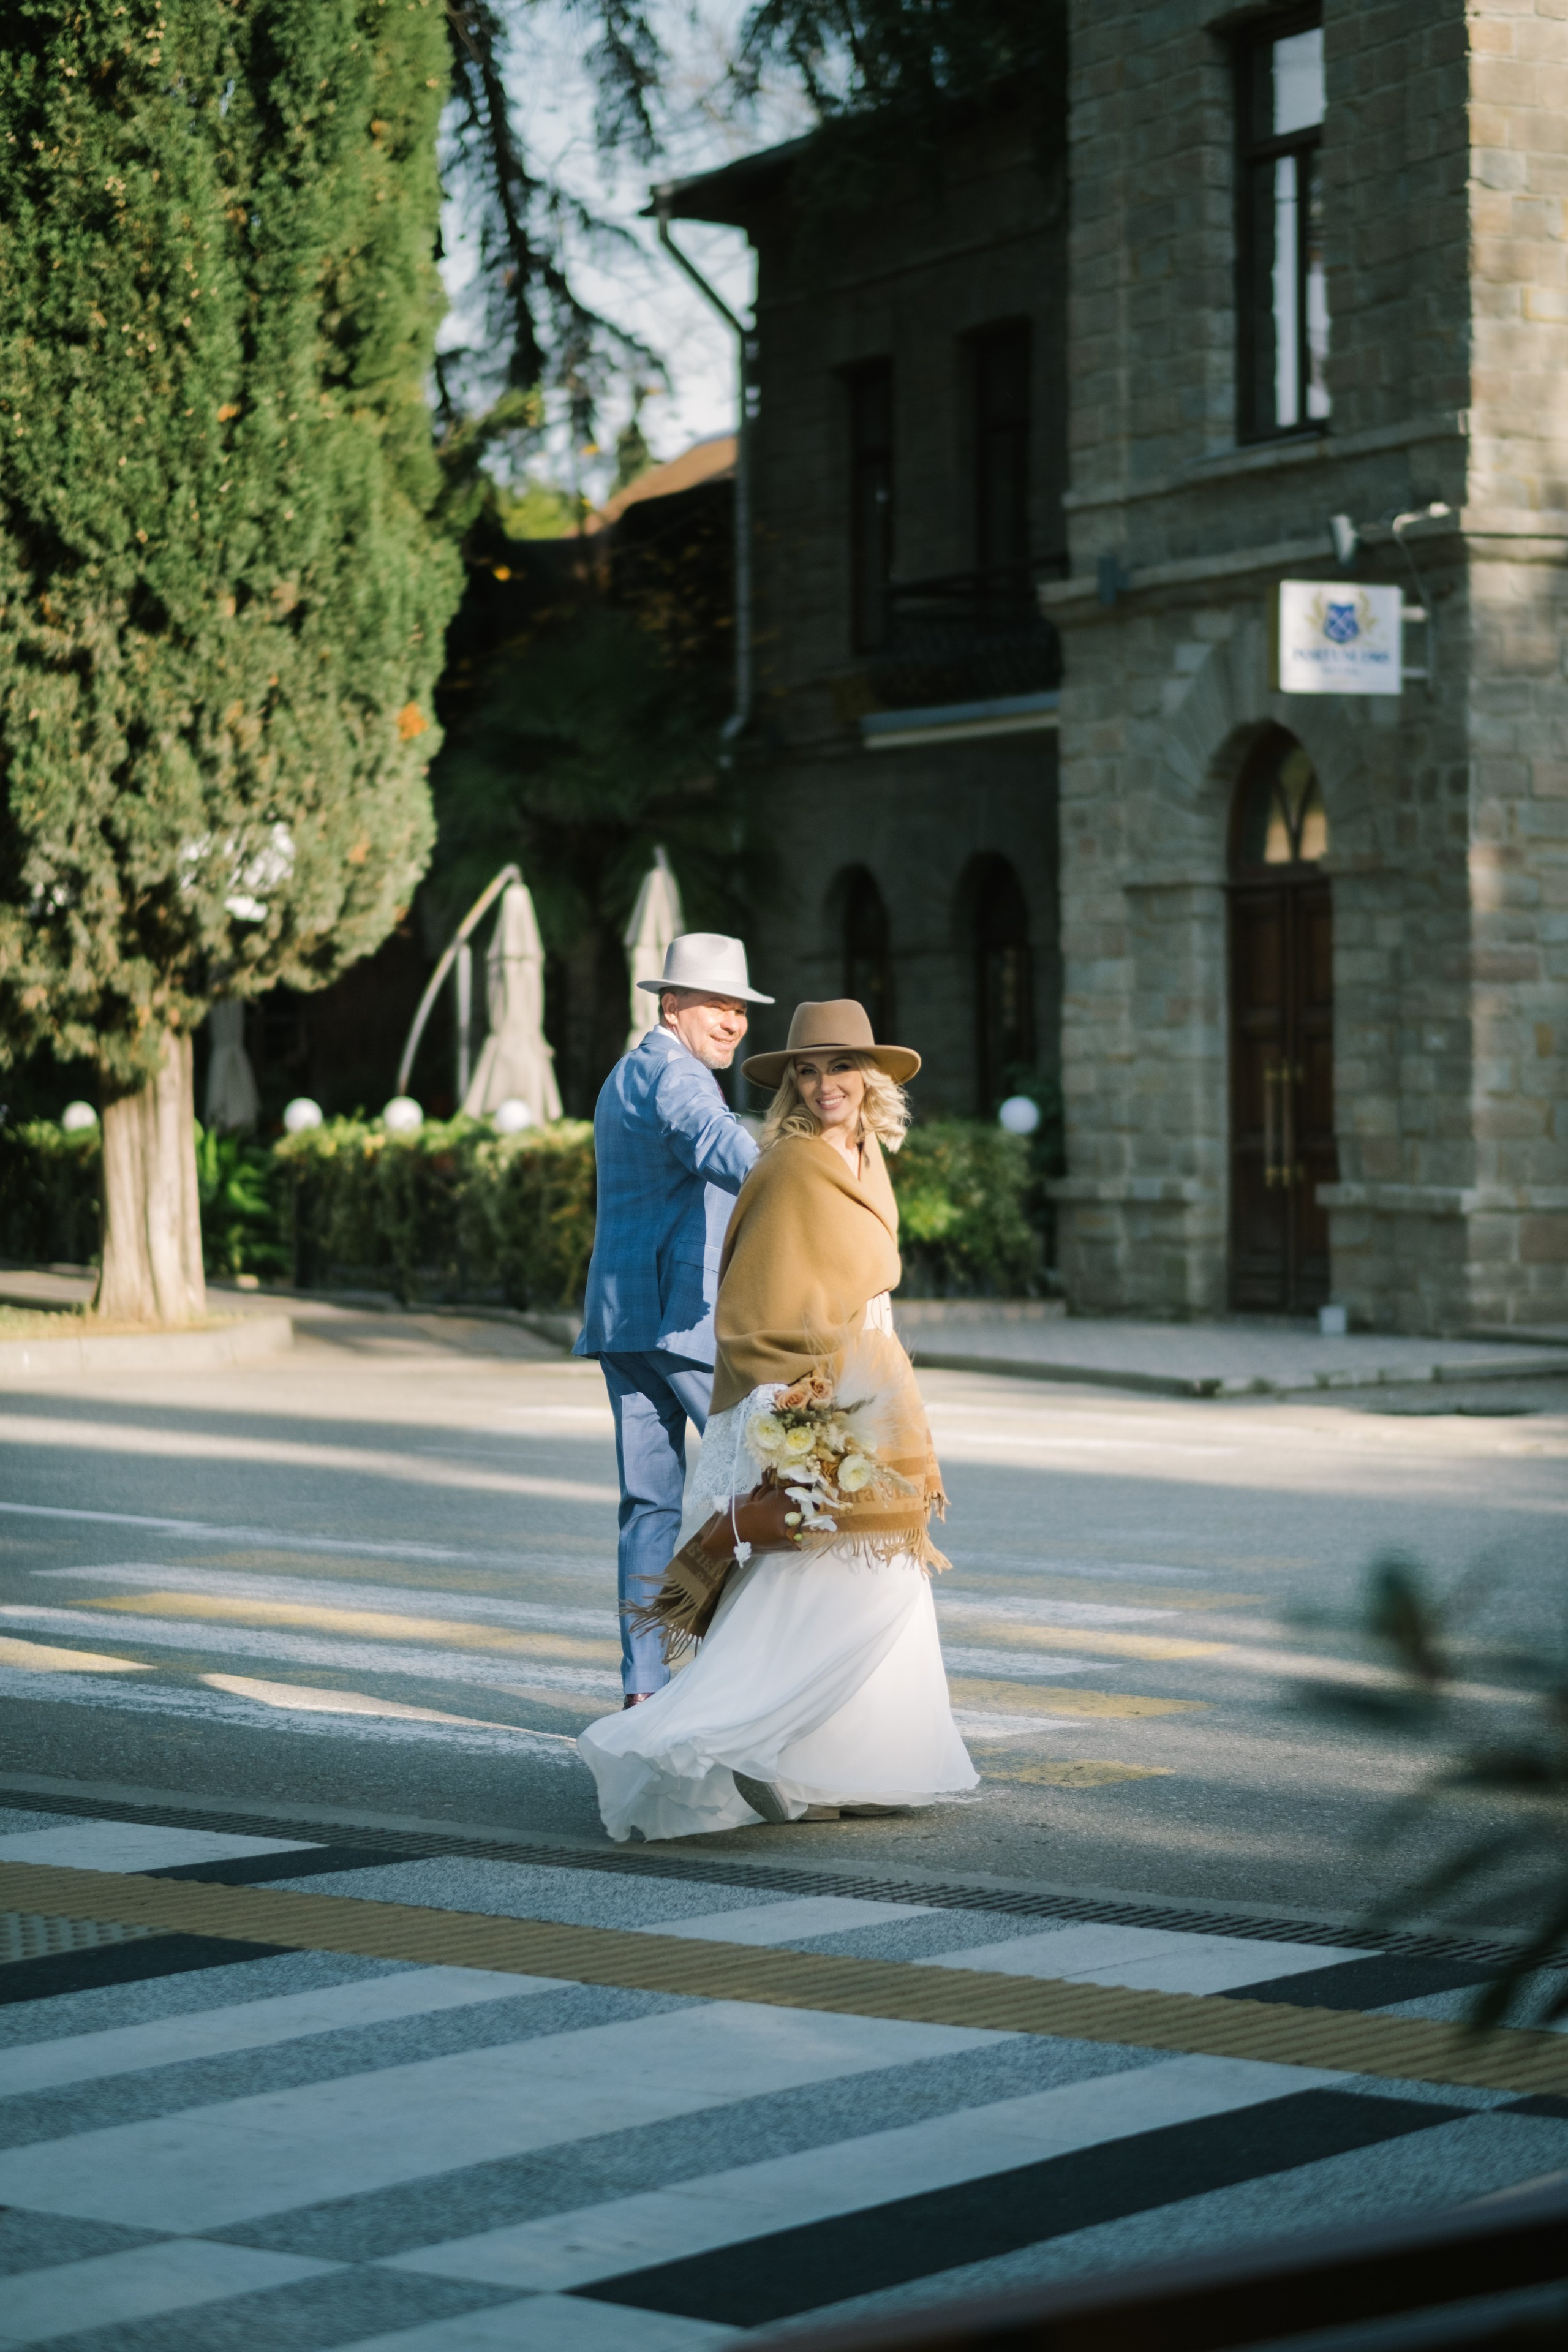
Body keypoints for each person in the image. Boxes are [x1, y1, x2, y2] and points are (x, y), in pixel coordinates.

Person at [579, 998, 978, 1840]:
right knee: (823, 1587)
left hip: (871, 1386)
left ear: (870, 1077)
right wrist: (796, 1402)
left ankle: (857, 1765)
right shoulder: (788, 1165)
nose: (823, 1083)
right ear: (790, 1083)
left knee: (880, 1586)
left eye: (839, 1066)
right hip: (811, 1393)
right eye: (806, 1068)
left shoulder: (869, 1158)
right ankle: (756, 1756)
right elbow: (751, 1305)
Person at [575, 933, 772, 1704]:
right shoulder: (678, 1077)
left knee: (649, 1506)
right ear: (671, 1006)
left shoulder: (624, 1074)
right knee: (759, 1489)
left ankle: (645, 1687)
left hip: (623, 1318)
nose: (733, 1022)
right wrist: (795, 1179)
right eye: (719, 1005)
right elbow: (716, 1142)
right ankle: (738, 1671)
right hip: (683, 1321)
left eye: (740, 1009)